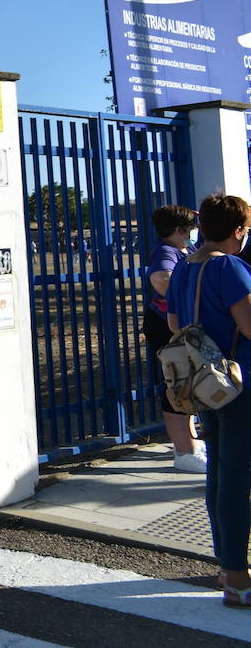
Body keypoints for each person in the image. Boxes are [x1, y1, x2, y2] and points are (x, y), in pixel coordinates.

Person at [164, 193, 251, 608]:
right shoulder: (229, 266)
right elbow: (250, 326)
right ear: (237, 230)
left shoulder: (184, 268)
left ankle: (226, 563)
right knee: (237, 479)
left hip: (202, 384)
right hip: (238, 382)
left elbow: (175, 324)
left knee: (219, 470)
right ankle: (237, 576)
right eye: (245, 230)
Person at [146, 204, 206, 473]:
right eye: (192, 227)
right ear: (179, 230)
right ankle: (184, 452)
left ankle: (191, 441)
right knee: (176, 385)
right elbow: (161, 279)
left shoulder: (186, 249)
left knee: (188, 386)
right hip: (166, 327)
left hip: (182, 326)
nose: (196, 231)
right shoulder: (165, 252)